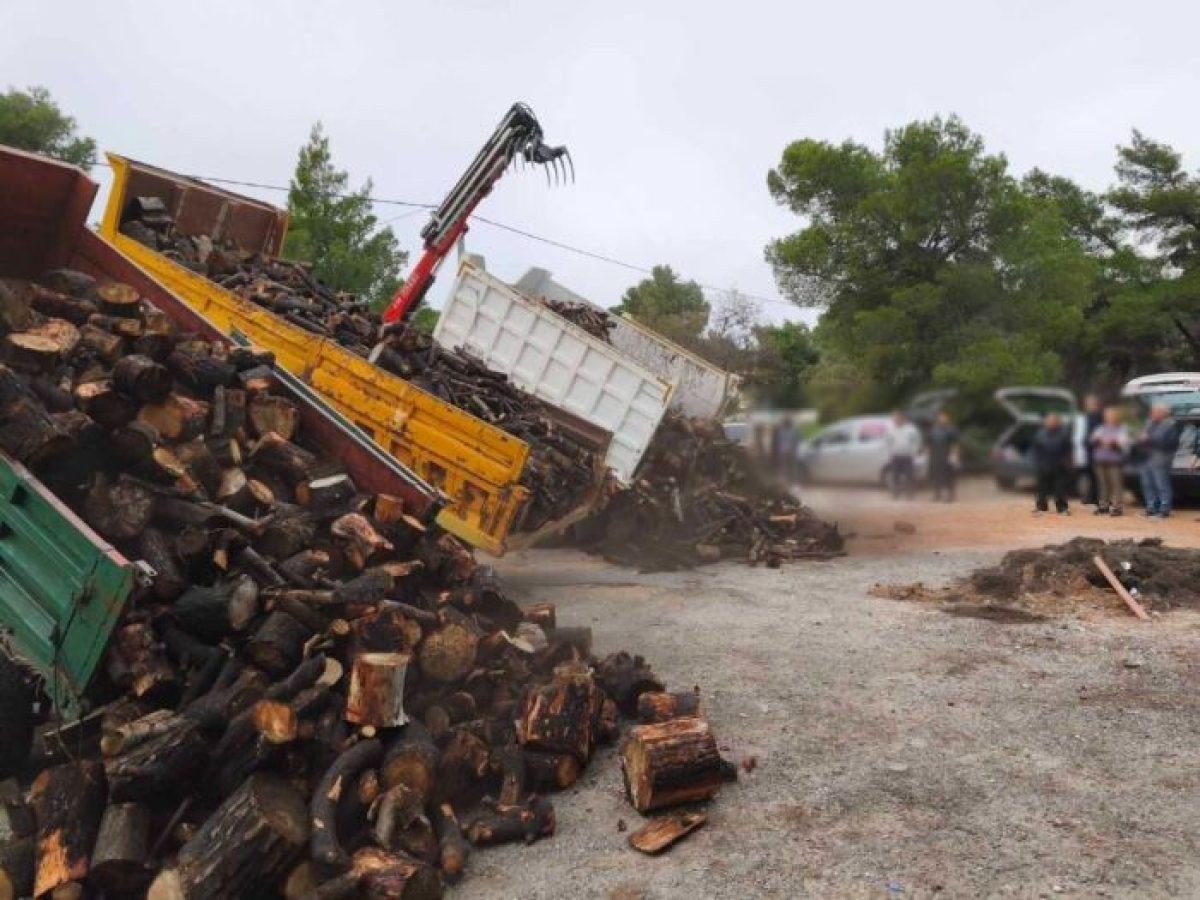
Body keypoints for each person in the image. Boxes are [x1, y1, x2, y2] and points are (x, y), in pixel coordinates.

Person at [1137, 403, 1180, 518]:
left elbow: (1171, 443)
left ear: (1163, 413)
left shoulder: (1170, 425)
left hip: (1161, 458)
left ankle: (1164, 509)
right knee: (1147, 484)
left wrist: (1149, 439)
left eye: (1155, 411)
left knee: (1162, 484)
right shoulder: (1149, 423)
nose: (1152, 413)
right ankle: (1151, 507)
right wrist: (1140, 438)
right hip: (1146, 457)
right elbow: (1141, 438)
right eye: (1152, 411)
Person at [1089, 406, 1130, 516]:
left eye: (1111, 415)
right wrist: (1099, 441)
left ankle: (1117, 507)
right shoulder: (1101, 428)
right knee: (1103, 484)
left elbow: (1124, 443)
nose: (1108, 417)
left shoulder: (1122, 428)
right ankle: (1103, 506)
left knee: (1116, 485)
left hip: (1114, 461)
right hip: (1100, 460)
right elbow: (1093, 439)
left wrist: (1112, 443)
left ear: (1116, 417)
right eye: (1107, 416)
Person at [1031, 412, 1073, 515]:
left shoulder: (1064, 434)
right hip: (1043, 464)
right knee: (1041, 489)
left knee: (1060, 489)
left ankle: (1062, 508)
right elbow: (1036, 449)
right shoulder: (1040, 434)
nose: (1051, 422)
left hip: (1059, 465)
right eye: (1049, 420)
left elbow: (1068, 450)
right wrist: (1038, 462)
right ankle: (1041, 507)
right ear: (1045, 422)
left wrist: (1066, 463)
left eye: (1054, 420)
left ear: (1058, 422)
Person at [884, 410, 921, 499]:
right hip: (896, 456)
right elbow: (887, 442)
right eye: (895, 418)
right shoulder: (890, 430)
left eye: (898, 418)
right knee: (895, 476)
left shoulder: (911, 429)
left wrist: (914, 451)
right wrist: (891, 451)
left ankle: (910, 493)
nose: (896, 419)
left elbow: (917, 441)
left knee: (909, 475)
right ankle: (896, 493)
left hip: (907, 456)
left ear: (903, 418)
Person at [927, 410, 960, 502]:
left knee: (948, 475)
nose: (942, 419)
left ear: (948, 418)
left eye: (944, 417)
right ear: (937, 418)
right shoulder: (933, 429)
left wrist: (954, 455)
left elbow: (955, 443)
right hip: (935, 455)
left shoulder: (952, 429)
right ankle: (937, 494)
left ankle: (950, 494)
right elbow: (929, 442)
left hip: (947, 454)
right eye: (940, 417)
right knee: (936, 474)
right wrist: (928, 453)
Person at [1082, 394, 1103, 505]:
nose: (1089, 405)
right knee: (1090, 473)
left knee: (1097, 474)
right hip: (1088, 448)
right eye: (1088, 403)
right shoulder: (1087, 416)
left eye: (1091, 403)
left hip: (1096, 448)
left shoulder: (1099, 416)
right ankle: (1091, 496)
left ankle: (1097, 497)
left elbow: (1097, 432)